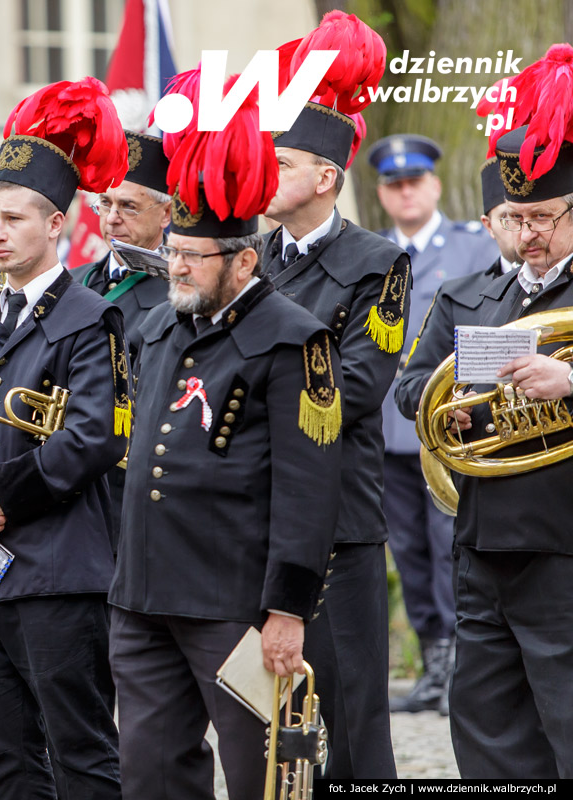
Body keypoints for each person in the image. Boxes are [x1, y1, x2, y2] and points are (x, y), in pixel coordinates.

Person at [109, 73, 343, 799]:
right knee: (149, 772)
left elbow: (309, 490)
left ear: (244, 260)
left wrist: (287, 611)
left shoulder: (294, 339)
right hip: (145, 593)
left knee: (259, 773)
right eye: (173, 250)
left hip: (233, 600)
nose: (174, 266)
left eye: (192, 256)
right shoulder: (157, 324)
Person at [0, 76, 130, 799]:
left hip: (56, 569)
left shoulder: (90, 317)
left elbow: (93, 437)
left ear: (58, 227)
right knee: (3, 759)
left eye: (14, 218)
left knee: (81, 751)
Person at [261, 15, 405, 777]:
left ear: (324, 177)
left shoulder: (379, 263)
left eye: (279, 163)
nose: (262, 176)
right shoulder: (248, 258)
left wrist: (248, 407)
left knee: (349, 723)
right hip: (256, 518)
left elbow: (346, 392)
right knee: (272, 730)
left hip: (340, 524)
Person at [442, 48, 573, 774]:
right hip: (484, 538)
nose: (529, 234)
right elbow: (409, 390)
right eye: (514, 217)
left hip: (565, 543)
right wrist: (455, 410)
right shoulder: (471, 296)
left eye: (544, 217)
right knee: (487, 727)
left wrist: (569, 381)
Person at [365, 135, 499, 714]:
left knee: (450, 546)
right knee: (412, 553)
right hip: (392, 431)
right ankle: (433, 664)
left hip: (457, 426)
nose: (405, 192)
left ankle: (464, 669)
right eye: (394, 185)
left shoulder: (473, 248)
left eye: (414, 182)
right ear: (382, 195)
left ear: (435, 186)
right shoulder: (372, 254)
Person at [69, 129, 171, 546]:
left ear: (167, 213)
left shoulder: (177, 294)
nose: (111, 219)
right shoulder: (73, 281)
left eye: (128, 206)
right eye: (105, 203)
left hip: (132, 491)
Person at [396, 157, 520, 422]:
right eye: (509, 218)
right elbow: (409, 390)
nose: (524, 230)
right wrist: (449, 399)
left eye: (537, 216)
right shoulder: (458, 296)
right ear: (488, 225)